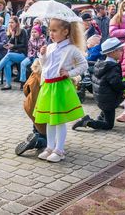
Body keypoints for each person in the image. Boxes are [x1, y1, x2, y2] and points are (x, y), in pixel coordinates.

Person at [33, 17, 88, 163]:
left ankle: (60, 149)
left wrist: (69, 73)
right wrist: (42, 55)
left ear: (65, 31)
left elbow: (84, 65)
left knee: (59, 120)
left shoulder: (71, 49)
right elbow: (45, 65)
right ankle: (50, 147)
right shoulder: (50, 47)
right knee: (50, 120)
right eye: (50, 30)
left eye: (54, 30)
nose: (51, 33)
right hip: (48, 86)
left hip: (60, 87)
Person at [73, 37, 125, 131]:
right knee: (109, 125)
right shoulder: (112, 67)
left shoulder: (102, 64)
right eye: (120, 50)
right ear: (112, 52)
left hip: (102, 98)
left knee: (105, 112)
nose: (122, 52)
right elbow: (117, 85)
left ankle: (99, 120)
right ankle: (87, 122)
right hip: (107, 100)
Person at [15, 59, 47, 155]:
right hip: (46, 108)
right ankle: (38, 142)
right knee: (48, 136)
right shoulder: (50, 77)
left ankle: (36, 134)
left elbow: (25, 89)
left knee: (36, 122)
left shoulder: (34, 74)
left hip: (31, 106)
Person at [0, 16, 28, 90]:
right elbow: (9, 43)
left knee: (8, 55)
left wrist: (13, 46)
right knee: (7, 64)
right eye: (9, 22)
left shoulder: (23, 31)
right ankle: (8, 84)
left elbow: (24, 45)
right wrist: (11, 38)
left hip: (22, 54)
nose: (10, 24)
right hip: (14, 54)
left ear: (16, 23)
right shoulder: (11, 32)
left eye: (12, 22)